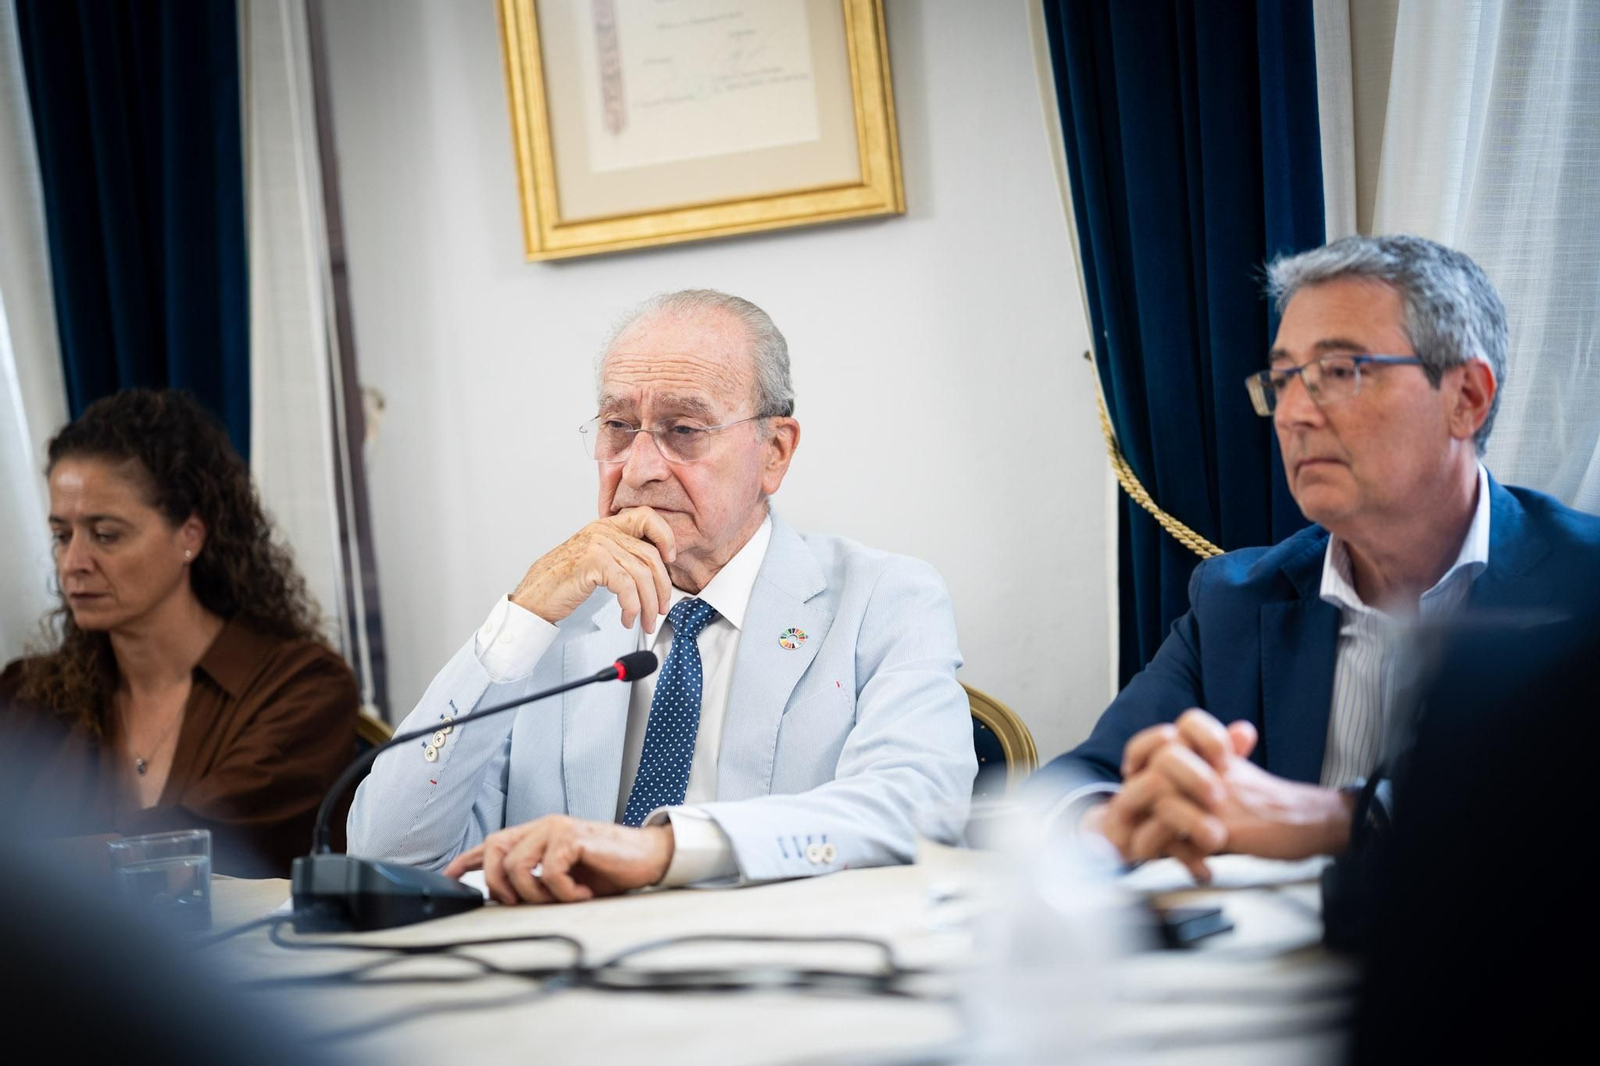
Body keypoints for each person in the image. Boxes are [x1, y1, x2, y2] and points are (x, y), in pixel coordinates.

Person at [349, 290, 976, 904]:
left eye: (683, 429)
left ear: (774, 452)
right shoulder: (554, 624)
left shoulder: (883, 599)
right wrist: (524, 614)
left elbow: (917, 805)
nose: (640, 466)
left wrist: (665, 851)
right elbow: (386, 858)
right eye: (618, 428)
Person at [1036, 234, 1600, 879]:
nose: (1294, 413)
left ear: (1466, 397)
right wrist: (1115, 819)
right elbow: (1070, 787)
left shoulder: (1584, 589)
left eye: (1340, 372)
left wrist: (1334, 818)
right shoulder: (1236, 601)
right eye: (1283, 379)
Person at [0, 389, 359, 877]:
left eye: (105, 534)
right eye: (62, 536)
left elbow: (198, 849)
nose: (73, 564)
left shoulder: (301, 688)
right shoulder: (27, 696)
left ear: (190, 536)